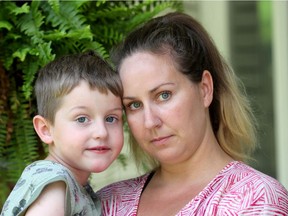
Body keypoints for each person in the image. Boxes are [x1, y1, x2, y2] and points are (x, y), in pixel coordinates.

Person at [96, 12, 288, 215]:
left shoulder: (255, 199)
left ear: (204, 89)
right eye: (134, 105)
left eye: (164, 95)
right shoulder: (107, 204)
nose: (150, 121)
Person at [1, 51, 124, 216]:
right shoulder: (55, 186)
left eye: (111, 118)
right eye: (81, 119)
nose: (101, 132)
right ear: (45, 130)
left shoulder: (70, 184)